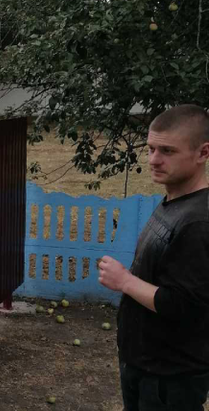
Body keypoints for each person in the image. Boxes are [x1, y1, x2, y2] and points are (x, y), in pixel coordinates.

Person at [98, 104, 209, 411]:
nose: (154, 160)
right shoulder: (175, 203)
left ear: (203, 153)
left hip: (169, 381)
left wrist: (125, 281)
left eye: (168, 151)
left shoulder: (198, 222)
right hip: (145, 370)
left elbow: (184, 305)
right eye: (151, 149)